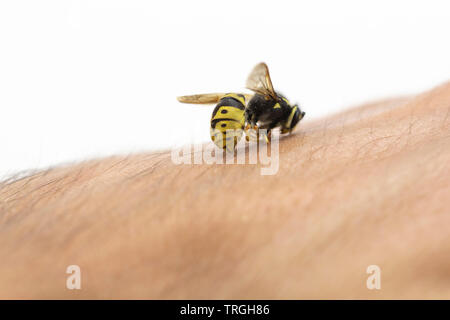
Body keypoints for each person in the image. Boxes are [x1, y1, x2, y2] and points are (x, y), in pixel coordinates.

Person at [1, 82, 449, 299]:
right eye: (287, 124)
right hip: (234, 122)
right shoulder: (266, 111)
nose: (289, 130)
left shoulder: (267, 110)